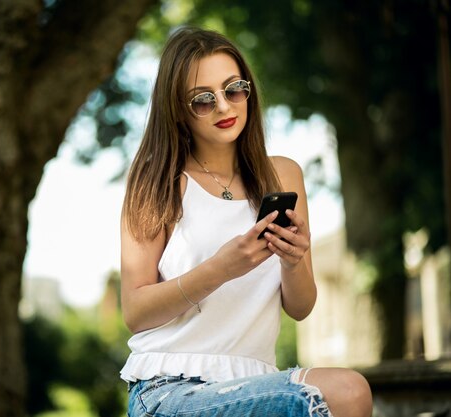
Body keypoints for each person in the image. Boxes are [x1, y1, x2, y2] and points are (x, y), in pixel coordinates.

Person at [119, 27, 373, 417]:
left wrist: (292, 261)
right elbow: (135, 313)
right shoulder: (158, 182)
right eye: (203, 99)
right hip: (168, 391)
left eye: (234, 89)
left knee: (349, 390)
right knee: (347, 392)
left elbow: (301, 308)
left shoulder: (283, 175)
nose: (224, 106)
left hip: (254, 381)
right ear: (178, 110)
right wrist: (220, 269)